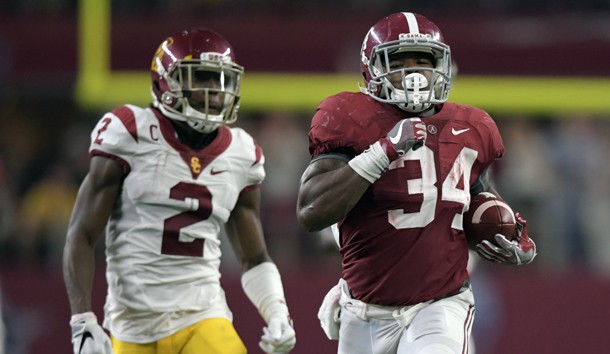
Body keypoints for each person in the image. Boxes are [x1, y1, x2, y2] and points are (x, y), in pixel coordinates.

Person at [296, 12, 537, 354]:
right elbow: (311, 212)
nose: (414, 74)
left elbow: (481, 202)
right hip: (364, 309)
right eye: (399, 61)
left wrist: (513, 236)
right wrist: (384, 151)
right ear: (372, 67)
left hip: (439, 303)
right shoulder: (349, 118)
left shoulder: (471, 126)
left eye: (423, 61)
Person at [63, 28, 296, 354]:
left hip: (202, 314)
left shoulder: (242, 153)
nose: (215, 91)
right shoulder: (131, 131)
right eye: (202, 78)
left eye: (220, 81)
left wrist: (277, 314)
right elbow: (82, 233)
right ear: (166, 82)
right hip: (132, 323)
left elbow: (255, 257)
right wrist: (82, 320)